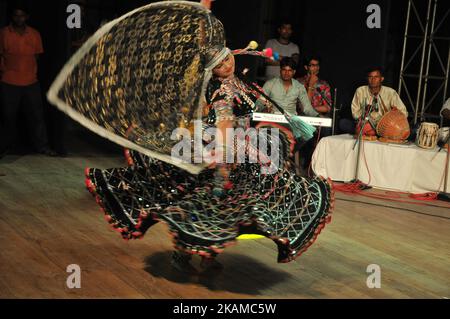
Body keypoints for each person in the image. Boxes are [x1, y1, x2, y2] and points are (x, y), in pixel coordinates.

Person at [48, 3, 333, 274]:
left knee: (220, 207)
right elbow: (223, 126)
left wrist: (204, 8)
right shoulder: (221, 92)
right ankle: (186, 252)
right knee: (208, 204)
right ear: (213, 70)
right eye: (221, 63)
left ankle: (198, 254)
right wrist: (223, 164)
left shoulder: (232, 77)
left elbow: (208, 44)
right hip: (223, 149)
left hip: (239, 147)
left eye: (227, 56)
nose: (228, 63)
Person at [0, 7, 56, 157]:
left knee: (37, 116)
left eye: (22, 16)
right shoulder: (4, 33)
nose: (19, 19)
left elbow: (36, 56)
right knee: (8, 117)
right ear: (12, 17)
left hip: (31, 82)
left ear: (27, 17)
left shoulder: (34, 34)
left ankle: (42, 146)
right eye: (16, 16)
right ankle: (4, 147)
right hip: (9, 81)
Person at [340, 67, 408, 135]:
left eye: (376, 77)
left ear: (382, 79)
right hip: (365, 124)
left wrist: (394, 113)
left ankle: (375, 133)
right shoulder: (360, 91)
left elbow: (404, 113)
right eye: (370, 77)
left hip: (385, 127)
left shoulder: (390, 92)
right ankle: (370, 132)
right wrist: (365, 111)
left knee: (408, 130)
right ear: (367, 79)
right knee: (343, 123)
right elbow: (355, 113)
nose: (373, 80)